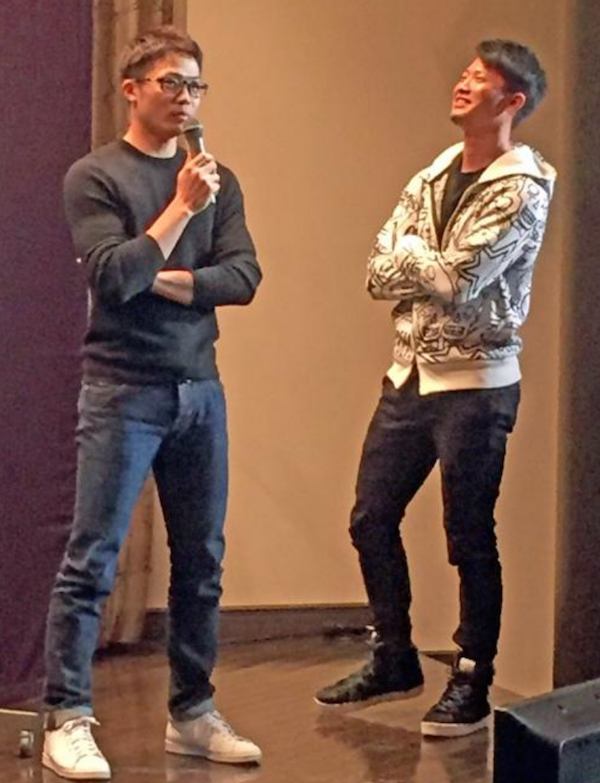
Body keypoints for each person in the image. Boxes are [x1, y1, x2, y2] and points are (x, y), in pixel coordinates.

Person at [315, 39, 555, 739]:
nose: (463, 83)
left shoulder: (523, 189)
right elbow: (374, 273)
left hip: (478, 386)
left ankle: (472, 678)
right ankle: (393, 655)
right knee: (370, 517)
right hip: (410, 377)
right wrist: (428, 263)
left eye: (481, 78)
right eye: (465, 73)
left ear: (511, 102)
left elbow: (462, 280)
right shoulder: (432, 175)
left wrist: (417, 256)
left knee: (469, 535)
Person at [42, 26, 262, 780]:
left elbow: (244, 277)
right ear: (131, 89)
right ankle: (68, 717)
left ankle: (192, 714)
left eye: (196, 85)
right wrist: (178, 212)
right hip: (122, 390)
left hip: (200, 390)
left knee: (201, 561)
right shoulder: (95, 176)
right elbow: (111, 277)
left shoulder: (218, 179)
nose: (186, 98)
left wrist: (164, 276)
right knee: (92, 558)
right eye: (172, 83)